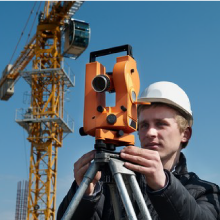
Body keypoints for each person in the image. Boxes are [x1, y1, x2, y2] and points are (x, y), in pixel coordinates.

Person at [57, 81, 220, 220]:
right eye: (144, 125)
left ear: (185, 134)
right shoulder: (110, 182)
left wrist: (163, 186)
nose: (150, 133)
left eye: (161, 124)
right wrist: (84, 195)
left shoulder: (205, 191)